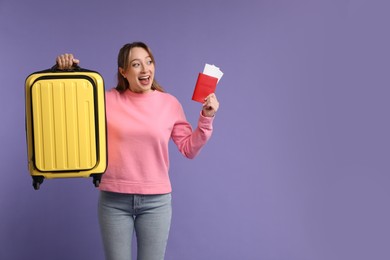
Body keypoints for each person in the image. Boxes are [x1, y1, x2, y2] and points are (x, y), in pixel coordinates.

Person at [56, 42, 220, 260]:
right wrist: (66, 73)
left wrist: (206, 118)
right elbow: (70, 116)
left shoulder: (169, 103)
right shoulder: (104, 100)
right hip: (113, 201)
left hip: (156, 203)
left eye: (149, 62)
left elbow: (189, 148)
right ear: (123, 71)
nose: (145, 69)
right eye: (136, 64)